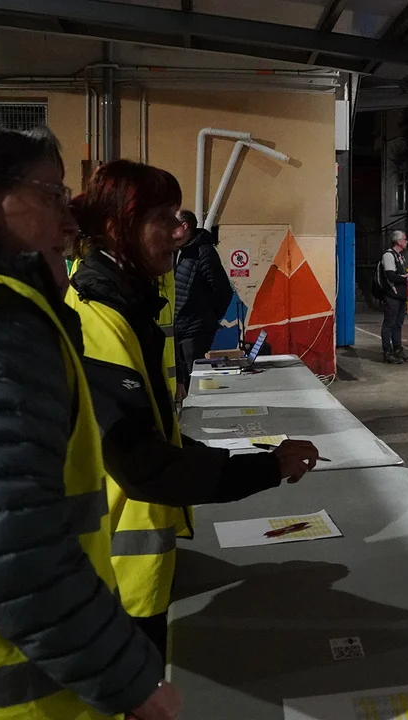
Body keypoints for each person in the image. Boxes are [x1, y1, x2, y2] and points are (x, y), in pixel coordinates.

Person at [0, 128, 179, 719]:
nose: (69, 220)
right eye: (52, 195)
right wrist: (129, 678)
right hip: (12, 691)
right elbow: (15, 550)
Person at [67, 160, 320, 659]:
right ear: (118, 228)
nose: (176, 232)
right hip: (114, 577)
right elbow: (146, 466)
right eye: (162, 218)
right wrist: (267, 467)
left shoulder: (130, 304)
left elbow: (156, 436)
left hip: (133, 566)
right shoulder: (97, 318)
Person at [172, 209, 233, 388]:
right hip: (176, 329)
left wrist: (208, 318)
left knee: (196, 379)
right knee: (181, 381)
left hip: (195, 330)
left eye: (172, 225)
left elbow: (223, 290)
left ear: (184, 226)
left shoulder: (203, 252)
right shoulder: (175, 251)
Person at [378, 230, 408, 363]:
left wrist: (407, 276)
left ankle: (398, 350)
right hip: (392, 295)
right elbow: (391, 275)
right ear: (398, 241)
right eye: (404, 239)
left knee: (398, 324)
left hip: (400, 295)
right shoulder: (388, 255)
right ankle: (387, 352)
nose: (406, 241)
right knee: (389, 323)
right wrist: (406, 277)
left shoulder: (400, 257)